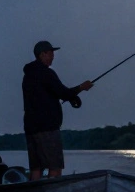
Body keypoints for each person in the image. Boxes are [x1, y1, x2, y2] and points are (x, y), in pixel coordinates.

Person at [22, 40, 92, 179]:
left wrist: (72, 96)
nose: (53, 56)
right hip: (47, 128)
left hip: (31, 128)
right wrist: (81, 87)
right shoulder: (47, 73)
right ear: (42, 54)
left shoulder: (27, 76)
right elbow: (63, 93)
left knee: (36, 167)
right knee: (55, 167)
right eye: (51, 53)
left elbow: (52, 93)